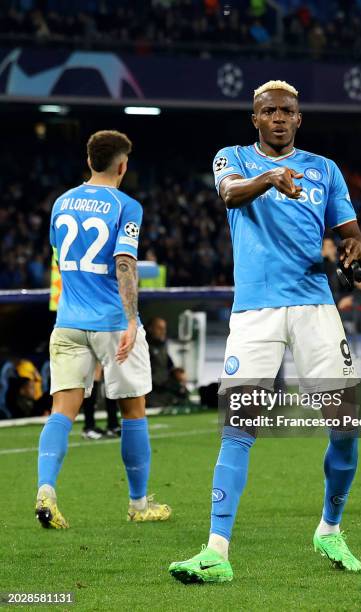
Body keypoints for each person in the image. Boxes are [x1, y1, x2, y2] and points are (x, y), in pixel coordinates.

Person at [169, 80, 361, 583]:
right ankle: (216, 551)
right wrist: (273, 177)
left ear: (299, 118)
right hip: (256, 311)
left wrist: (354, 251)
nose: (278, 117)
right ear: (254, 118)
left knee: (344, 427)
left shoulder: (325, 170)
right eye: (268, 111)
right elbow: (230, 195)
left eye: (287, 111)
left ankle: (329, 528)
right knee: (239, 428)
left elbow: (352, 234)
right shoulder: (232, 157)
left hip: (315, 307)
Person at [35, 130, 171, 529]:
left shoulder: (61, 203)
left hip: (68, 320)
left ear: (89, 160)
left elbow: (60, 259)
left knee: (62, 411)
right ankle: (139, 503)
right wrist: (131, 319)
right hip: (112, 321)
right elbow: (124, 264)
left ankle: (46, 489)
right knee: (133, 410)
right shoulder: (125, 205)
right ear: (122, 165)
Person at [147, 316, 189, 406]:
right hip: (152, 387)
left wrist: (178, 373)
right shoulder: (145, 347)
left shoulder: (162, 347)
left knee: (183, 392)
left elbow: (170, 366)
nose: (163, 331)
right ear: (150, 329)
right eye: (159, 328)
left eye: (164, 328)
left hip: (165, 384)